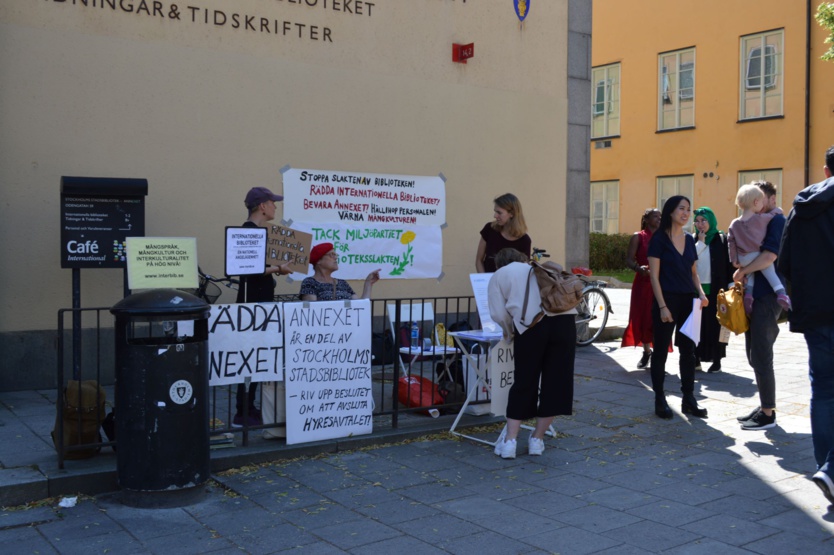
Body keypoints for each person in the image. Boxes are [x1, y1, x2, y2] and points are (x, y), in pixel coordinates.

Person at [778, 145, 834, 504]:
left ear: (826, 171)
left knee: (824, 389)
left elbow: (784, 263)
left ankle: (825, 466)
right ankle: (830, 470)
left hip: (816, 312)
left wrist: (805, 293)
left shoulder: (804, 206)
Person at [488, 248, 577, 459]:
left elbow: (499, 313)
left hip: (531, 327)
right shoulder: (536, 269)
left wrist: (510, 332)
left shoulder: (500, 275)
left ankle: (510, 442)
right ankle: (537, 439)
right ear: (522, 258)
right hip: (564, 323)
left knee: (524, 381)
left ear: (499, 262)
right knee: (556, 382)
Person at [235, 186, 292, 427]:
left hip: (260, 303)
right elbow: (246, 268)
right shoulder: (249, 231)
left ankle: (250, 407)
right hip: (252, 304)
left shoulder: (260, 232)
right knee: (250, 358)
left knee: (257, 358)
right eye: (272, 203)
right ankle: (243, 412)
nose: (275, 207)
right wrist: (278, 269)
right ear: (262, 206)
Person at [647, 195, 709, 420]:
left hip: (688, 303)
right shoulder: (659, 239)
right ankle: (659, 399)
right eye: (681, 208)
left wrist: (701, 294)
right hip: (667, 301)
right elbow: (653, 277)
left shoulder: (690, 240)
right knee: (661, 352)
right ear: (670, 211)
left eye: (688, 210)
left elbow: (694, 274)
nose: (686, 213)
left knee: (689, 352)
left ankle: (688, 399)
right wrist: (662, 306)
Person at [733, 181, 786, 431]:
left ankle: (768, 414)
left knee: (761, 354)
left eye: (760, 198)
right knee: (754, 354)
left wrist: (743, 271)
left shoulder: (776, 220)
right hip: (755, 296)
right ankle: (766, 405)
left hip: (768, 297)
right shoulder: (754, 221)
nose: (757, 203)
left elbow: (769, 256)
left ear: (771, 199)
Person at [727, 184, 792, 314]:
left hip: (744, 260)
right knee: (769, 271)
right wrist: (778, 210)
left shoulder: (734, 222)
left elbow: (730, 241)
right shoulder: (761, 218)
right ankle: (781, 293)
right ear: (756, 202)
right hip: (756, 259)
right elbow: (767, 258)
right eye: (760, 200)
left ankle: (748, 295)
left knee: (750, 276)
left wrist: (735, 261)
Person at [692, 207, 731, 373]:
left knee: (717, 325)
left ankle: (717, 360)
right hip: (697, 291)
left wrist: (730, 286)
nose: (700, 224)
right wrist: (700, 242)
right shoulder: (692, 240)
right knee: (698, 327)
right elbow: (690, 260)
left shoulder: (721, 239)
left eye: (704, 220)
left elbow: (729, 264)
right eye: (697, 221)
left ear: (711, 221)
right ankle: (696, 359)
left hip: (718, 290)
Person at [621, 208, 661, 369]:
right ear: (646, 219)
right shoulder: (638, 237)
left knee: (659, 319)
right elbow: (629, 260)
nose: (659, 219)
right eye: (655, 216)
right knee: (644, 318)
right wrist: (639, 268)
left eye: (660, 216)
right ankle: (646, 352)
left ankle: (659, 357)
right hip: (643, 283)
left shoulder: (664, 237)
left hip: (660, 282)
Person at [300, 242, 380, 301]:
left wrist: (368, 284)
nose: (335, 258)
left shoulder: (343, 283)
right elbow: (311, 311)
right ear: (318, 261)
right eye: (331, 254)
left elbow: (360, 307)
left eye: (335, 255)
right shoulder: (309, 283)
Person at [475, 193, 531, 273]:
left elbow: (524, 270)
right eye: (495, 212)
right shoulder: (489, 229)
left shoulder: (524, 240)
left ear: (512, 214)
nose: (495, 216)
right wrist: (484, 282)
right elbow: (479, 261)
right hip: (488, 283)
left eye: (499, 213)